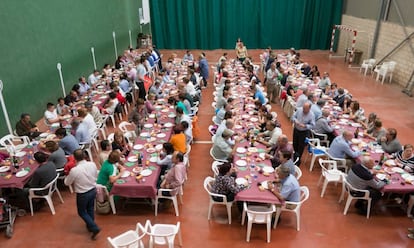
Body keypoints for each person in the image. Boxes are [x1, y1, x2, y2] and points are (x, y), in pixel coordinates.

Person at [64, 149, 100, 240]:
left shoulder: (74, 170)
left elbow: (67, 183)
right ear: (84, 156)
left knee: (82, 212)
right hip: (92, 189)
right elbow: (96, 175)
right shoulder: (92, 164)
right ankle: (90, 225)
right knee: (90, 208)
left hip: (82, 194)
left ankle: (94, 227)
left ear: (75, 159)